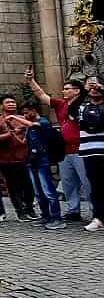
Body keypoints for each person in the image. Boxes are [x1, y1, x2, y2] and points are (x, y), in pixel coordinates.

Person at [26, 68, 90, 221]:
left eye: (67, 88)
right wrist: (31, 80)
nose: (63, 91)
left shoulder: (85, 104)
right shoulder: (61, 104)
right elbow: (42, 95)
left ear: (77, 90)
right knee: (68, 183)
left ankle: (97, 212)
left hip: (82, 148)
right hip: (64, 150)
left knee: (87, 182)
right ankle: (73, 211)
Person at [9, 103, 65, 229]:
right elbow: (24, 142)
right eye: (23, 113)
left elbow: (33, 125)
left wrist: (14, 117)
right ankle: (45, 216)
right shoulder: (29, 127)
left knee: (48, 190)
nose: (25, 115)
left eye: (26, 112)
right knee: (38, 192)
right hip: (32, 160)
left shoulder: (43, 122)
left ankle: (57, 218)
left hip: (43, 160)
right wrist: (13, 133)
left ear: (34, 110)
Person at [0, 95, 37, 221]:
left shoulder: (23, 118)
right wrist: (12, 133)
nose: (11, 104)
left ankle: (29, 208)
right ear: (2, 105)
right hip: (7, 159)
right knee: (13, 187)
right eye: (8, 102)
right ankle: (19, 211)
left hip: (24, 157)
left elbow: (32, 131)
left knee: (29, 186)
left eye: (13, 102)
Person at [76, 76, 104, 231]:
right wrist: (83, 92)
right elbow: (71, 110)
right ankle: (99, 218)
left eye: (97, 85)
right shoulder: (82, 107)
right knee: (96, 187)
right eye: (90, 85)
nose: (94, 88)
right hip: (89, 152)